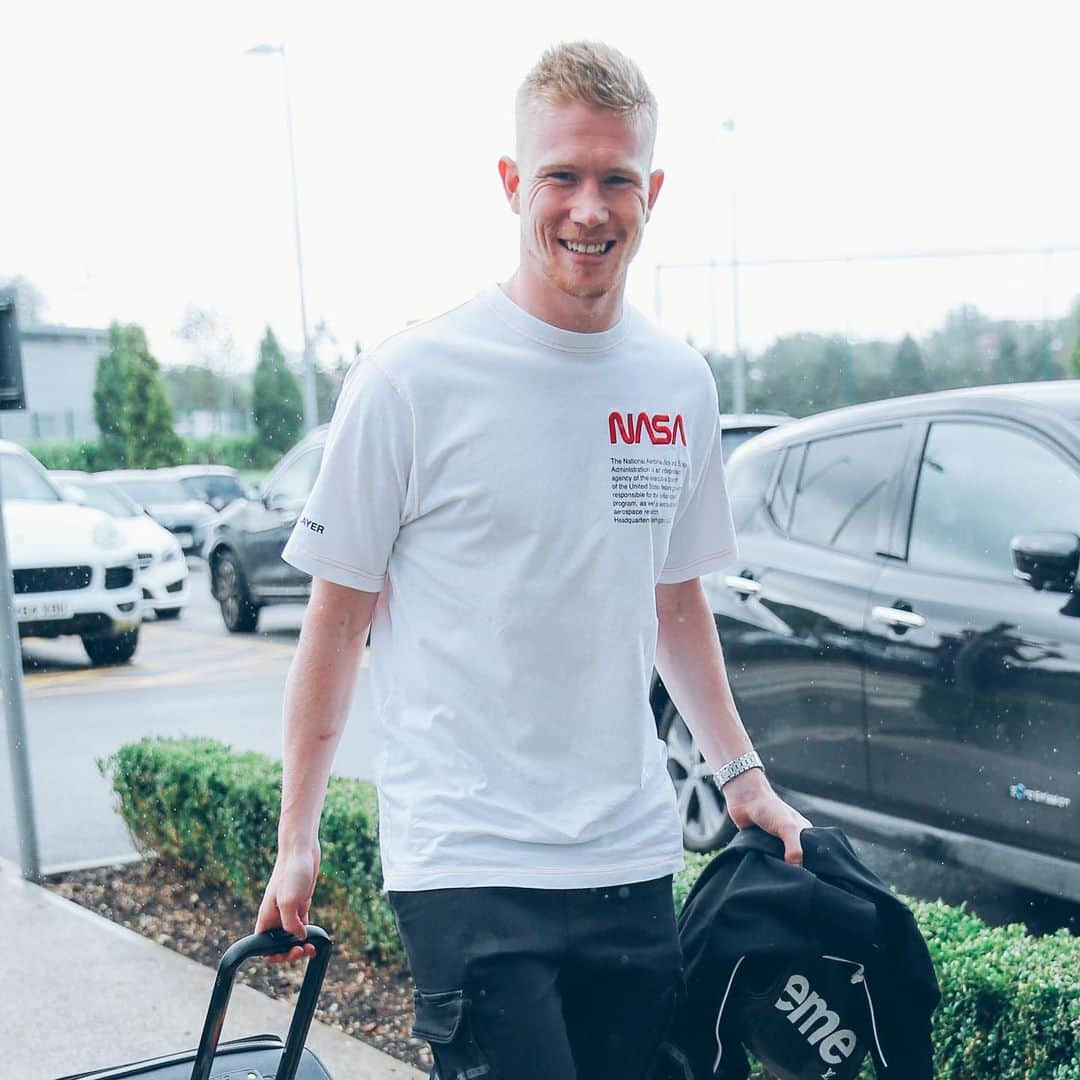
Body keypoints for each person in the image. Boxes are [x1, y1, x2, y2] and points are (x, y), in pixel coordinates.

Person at [254, 40, 811, 1080]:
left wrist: (743, 778)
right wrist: (299, 835)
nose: (590, 209)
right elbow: (334, 623)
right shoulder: (411, 379)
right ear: (513, 184)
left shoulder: (676, 380)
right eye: (562, 175)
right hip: (469, 862)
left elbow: (674, 602)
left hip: (633, 855)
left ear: (655, 192)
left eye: (617, 179)